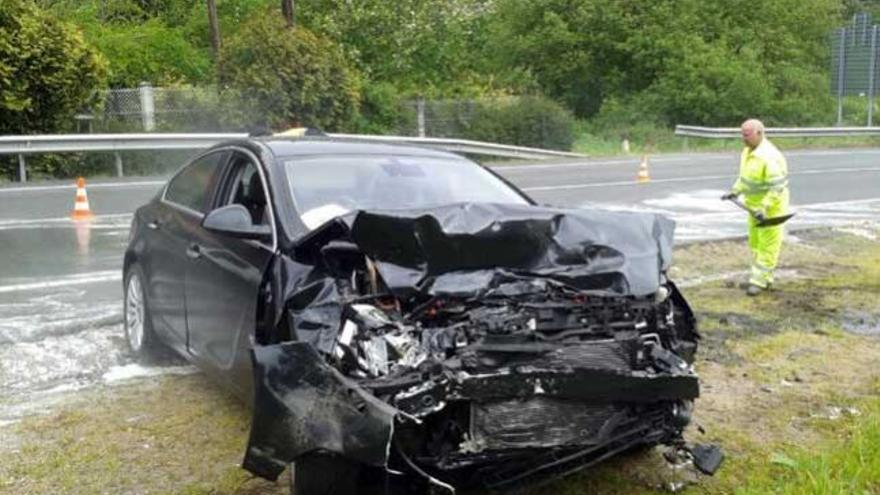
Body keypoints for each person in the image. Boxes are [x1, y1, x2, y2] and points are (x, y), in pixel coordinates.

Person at [721, 119, 789, 296]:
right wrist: (735, 191)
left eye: (747, 135)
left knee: (768, 246)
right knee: (755, 243)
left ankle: (758, 282)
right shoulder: (748, 152)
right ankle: (763, 278)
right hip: (753, 207)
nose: (744, 138)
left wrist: (765, 207)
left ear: (759, 133)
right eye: (742, 135)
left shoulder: (769, 156)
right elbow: (745, 178)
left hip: (771, 210)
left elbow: (777, 187)